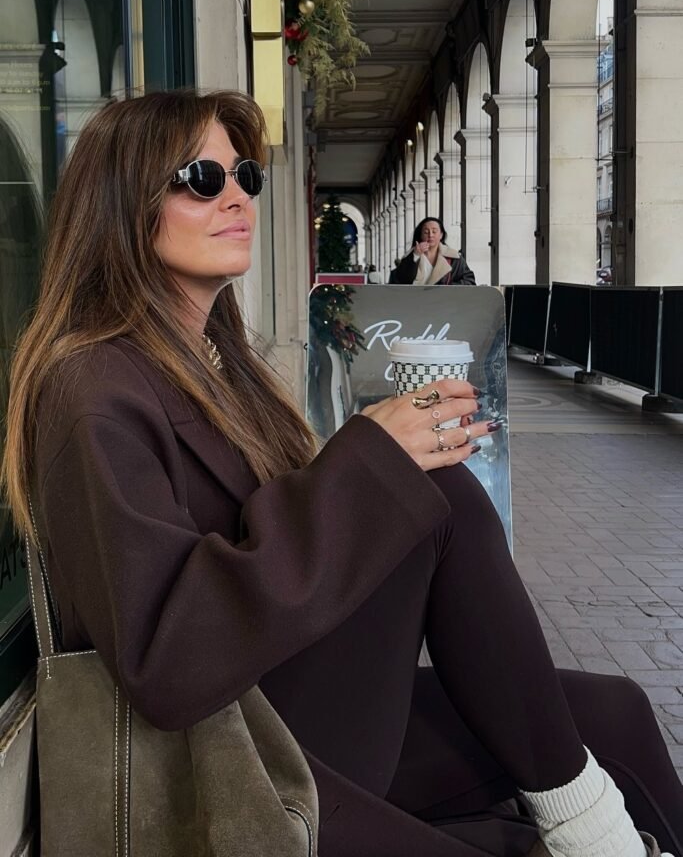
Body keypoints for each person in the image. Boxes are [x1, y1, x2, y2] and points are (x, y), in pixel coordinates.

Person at [2, 89, 682, 857]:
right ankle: (589, 835)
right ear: (120, 204)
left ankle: (584, 826)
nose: (237, 200)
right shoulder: (92, 388)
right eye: (202, 178)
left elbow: (285, 534)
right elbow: (163, 662)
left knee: (613, 713)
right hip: (223, 754)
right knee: (427, 486)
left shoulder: (216, 365)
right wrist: (367, 465)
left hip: (294, 700)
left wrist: (364, 467)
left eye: (245, 178)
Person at [391, 216, 475, 285]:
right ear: (420, 235)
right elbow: (400, 280)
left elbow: (469, 281)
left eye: (434, 231)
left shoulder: (454, 258)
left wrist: (448, 289)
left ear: (441, 235)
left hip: (444, 302)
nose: (430, 235)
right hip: (415, 302)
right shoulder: (410, 256)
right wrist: (415, 255)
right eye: (426, 232)